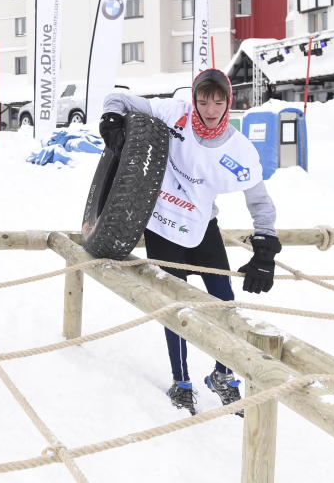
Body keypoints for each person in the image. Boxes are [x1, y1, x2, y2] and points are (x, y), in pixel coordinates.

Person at [99, 68, 280, 416]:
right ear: (194, 100)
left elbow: (259, 200)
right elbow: (118, 98)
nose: (210, 109)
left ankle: (222, 375)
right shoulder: (175, 112)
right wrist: (111, 119)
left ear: (229, 102)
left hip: (201, 223)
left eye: (218, 101)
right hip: (162, 221)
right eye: (203, 100)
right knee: (175, 306)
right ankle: (181, 381)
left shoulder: (239, 150)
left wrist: (265, 249)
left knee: (223, 301)